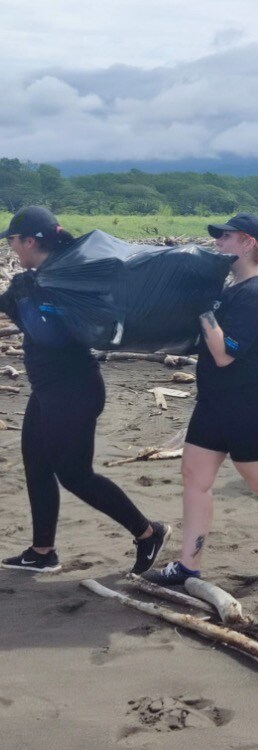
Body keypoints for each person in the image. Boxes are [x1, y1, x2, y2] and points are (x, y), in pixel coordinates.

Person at [143, 213, 258, 585]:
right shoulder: (232, 289)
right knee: (194, 477)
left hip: (252, 402)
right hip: (215, 400)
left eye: (225, 237)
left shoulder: (256, 294)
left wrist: (202, 309)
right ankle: (188, 565)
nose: (218, 243)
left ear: (246, 243)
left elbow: (225, 353)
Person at [0, 206, 171, 573]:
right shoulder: (45, 277)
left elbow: (50, 333)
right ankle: (42, 552)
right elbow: (33, 321)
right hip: (50, 391)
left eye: (13, 240)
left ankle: (148, 532)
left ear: (30, 240)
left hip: (72, 392)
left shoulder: (60, 280)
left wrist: (24, 298)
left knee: (75, 474)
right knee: (37, 465)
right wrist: (17, 299)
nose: (11, 248)